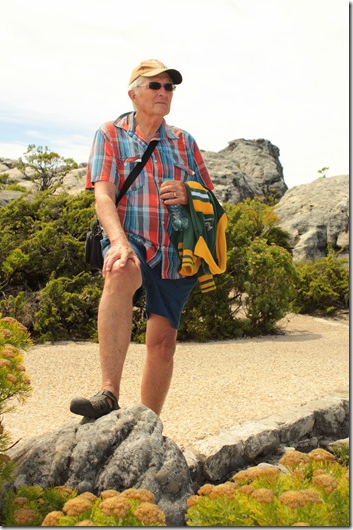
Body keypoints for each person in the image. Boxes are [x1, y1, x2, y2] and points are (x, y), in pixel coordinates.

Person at [70, 59, 218, 420]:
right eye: (155, 86)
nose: (164, 93)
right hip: (131, 235)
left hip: (176, 250)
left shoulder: (185, 142)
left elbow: (212, 200)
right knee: (120, 270)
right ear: (133, 92)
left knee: (163, 342)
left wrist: (188, 192)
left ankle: (146, 424)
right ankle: (108, 393)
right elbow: (103, 195)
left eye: (169, 87)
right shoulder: (110, 133)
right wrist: (118, 243)